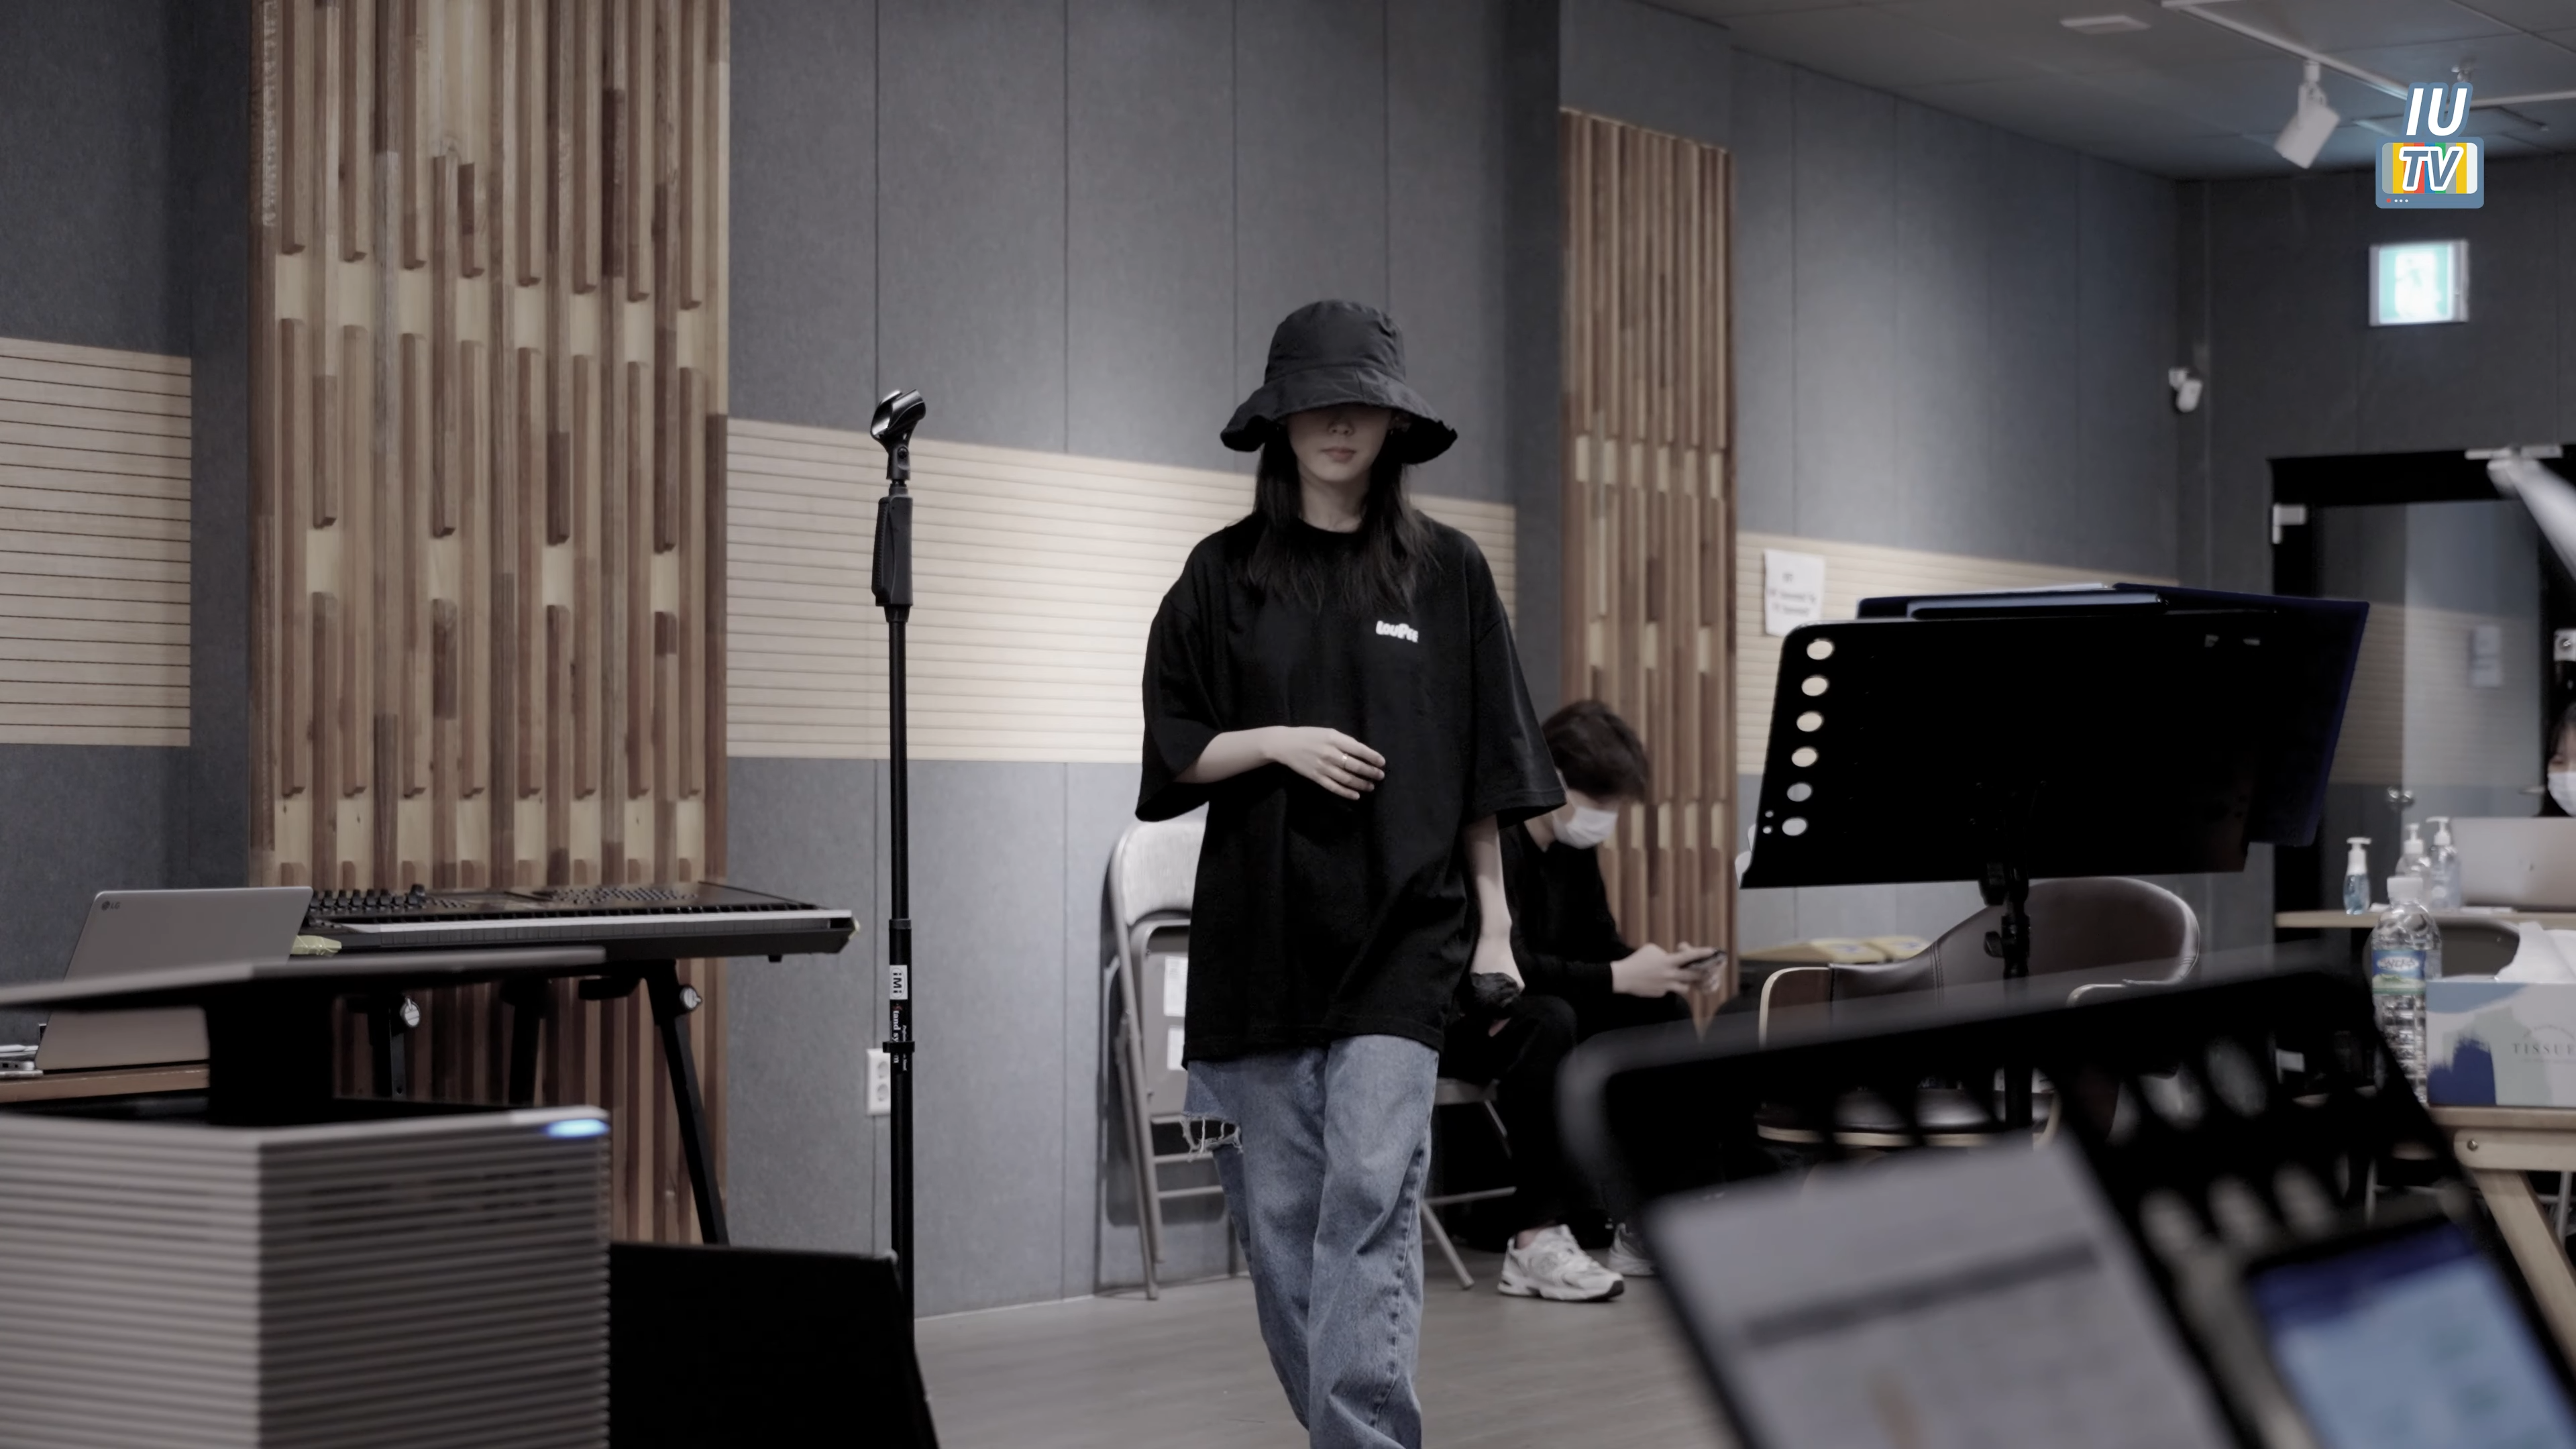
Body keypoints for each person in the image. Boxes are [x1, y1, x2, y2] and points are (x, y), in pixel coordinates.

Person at [1138, 300, 1560, 1449]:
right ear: (1278, 421)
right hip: (1258, 939)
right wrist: (1278, 742)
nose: (1339, 424)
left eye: (1360, 405)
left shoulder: (1449, 572)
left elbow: (1485, 768)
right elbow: (1175, 746)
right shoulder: (1221, 575)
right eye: (1316, 404)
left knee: (1369, 1198)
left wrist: (1494, 927)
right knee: (1281, 1227)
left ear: (1394, 422)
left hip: (1405, 936)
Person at [1436, 699, 1712, 1297]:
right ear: (1552, 777)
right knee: (1548, 1019)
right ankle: (1534, 1239)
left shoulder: (1572, 850)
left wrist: (1660, 969)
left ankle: (1645, 1216)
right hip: (1466, 1021)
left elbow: (1599, 945)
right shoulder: (1494, 841)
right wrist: (1616, 977)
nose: (1605, 819)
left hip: (1541, 1015)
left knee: (1660, 1009)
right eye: (1599, 802)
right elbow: (1503, 966)